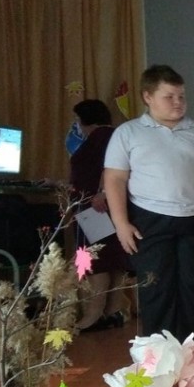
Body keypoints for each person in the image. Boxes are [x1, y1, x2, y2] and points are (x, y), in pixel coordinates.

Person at [104, 64, 194, 342]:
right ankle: (160, 356)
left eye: (181, 96)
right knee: (156, 288)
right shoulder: (128, 133)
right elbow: (114, 179)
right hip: (149, 220)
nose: (178, 102)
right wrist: (121, 223)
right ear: (147, 97)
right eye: (169, 97)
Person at [69, 99, 130, 332]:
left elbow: (112, 168)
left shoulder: (102, 138)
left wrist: (102, 193)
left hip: (96, 210)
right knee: (113, 261)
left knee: (97, 261)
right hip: (106, 207)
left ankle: (92, 316)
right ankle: (113, 312)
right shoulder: (113, 136)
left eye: (77, 119)